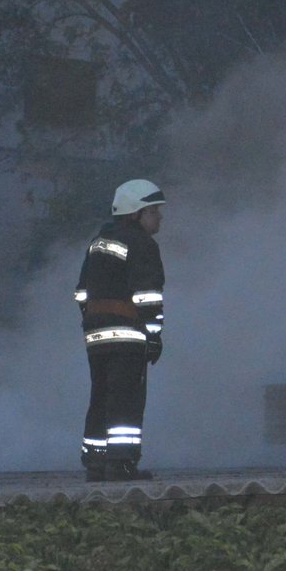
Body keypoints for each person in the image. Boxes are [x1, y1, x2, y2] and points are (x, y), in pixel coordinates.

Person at [75, 178, 167, 481]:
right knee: (125, 399)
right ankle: (122, 464)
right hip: (128, 335)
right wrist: (153, 336)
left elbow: (81, 292)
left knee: (100, 396)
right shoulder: (141, 243)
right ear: (136, 213)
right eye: (154, 211)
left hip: (96, 335)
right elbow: (148, 296)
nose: (159, 217)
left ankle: (96, 463)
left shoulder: (98, 242)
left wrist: (93, 320)